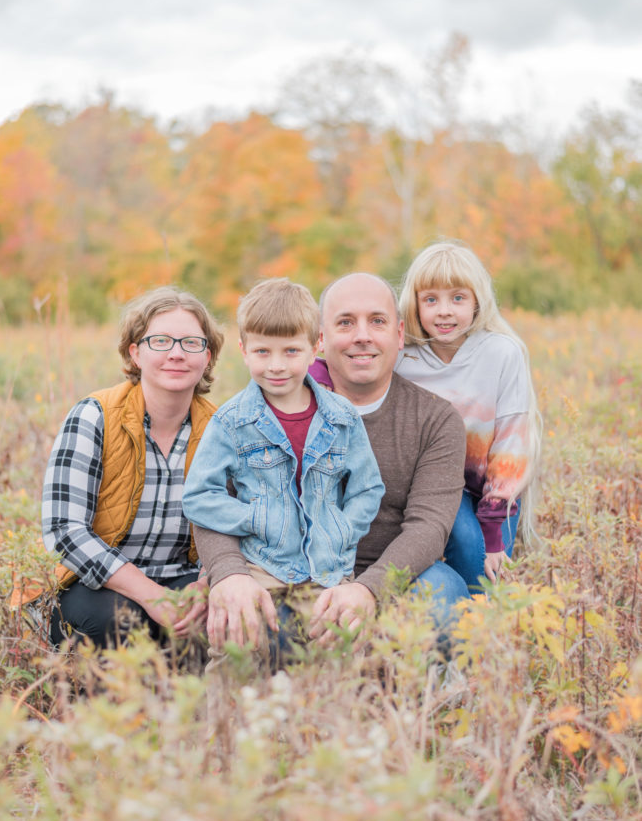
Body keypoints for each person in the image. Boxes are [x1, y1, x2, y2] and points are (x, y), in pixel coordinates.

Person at [193, 272, 469, 653]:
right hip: (281, 570)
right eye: (345, 322)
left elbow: (428, 526)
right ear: (320, 338)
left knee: (441, 601)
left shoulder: (435, 419)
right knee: (270, 639)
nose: (362, 336)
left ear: (400, 333)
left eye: (377, 321)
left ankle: (401, 696)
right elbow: (209, 503)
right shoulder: (253, 413)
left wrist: (369, 589)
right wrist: (227, 572)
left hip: (393, 571)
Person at [182, 278, 385, 662]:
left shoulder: (341, 418)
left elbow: (367, 488)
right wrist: (256, 518)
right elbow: (199, 495)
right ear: (243, 351)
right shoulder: (231, 421)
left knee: (341, 647)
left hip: (328, 565)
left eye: (291, 351)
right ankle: (228, 721)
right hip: (260, 563)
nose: (276, 366)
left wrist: (342, 529)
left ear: (316, 346)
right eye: (262, 351)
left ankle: (326, 719)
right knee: (237, 641)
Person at [40, 286, 224, 649]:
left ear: (208, 357)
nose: (176, 353)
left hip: (184, 580)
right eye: (160, 341)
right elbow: (64, 530)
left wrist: (204, 587)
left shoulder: (223, 430)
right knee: (118, 620)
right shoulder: (94, 416)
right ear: (135, 352)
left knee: (222, 614)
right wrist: (152, 597)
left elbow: (233, 527)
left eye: (191, 343)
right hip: (100, 584)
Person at [397, 239, 541, 593]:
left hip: (495, 483)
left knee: (496, 565)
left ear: (477, 300)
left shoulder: (501, 352)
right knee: (467, 544)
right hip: (439, 482)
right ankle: (466, 626)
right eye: (431, 299)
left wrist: (494, 527)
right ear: (414, 303)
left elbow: (512, 439)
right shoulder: (404, 359)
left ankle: (487, 632)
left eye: (457, 298)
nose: (444, 311)